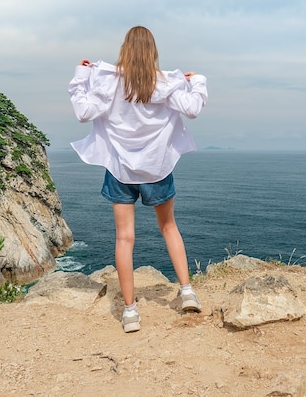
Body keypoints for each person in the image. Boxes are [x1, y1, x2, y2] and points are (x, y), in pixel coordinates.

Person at [68, 26, 208, 333]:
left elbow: (83, 111)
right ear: (153, 52)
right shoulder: (165, 83)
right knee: (169, 227)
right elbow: (193, 108)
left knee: (124, 239)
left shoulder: (108, 82)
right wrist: (196, 81)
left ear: (124, 50)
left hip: (120, 170)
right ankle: (186, 292)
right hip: (157, 168)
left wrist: (81, 77)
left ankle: (130, 312)